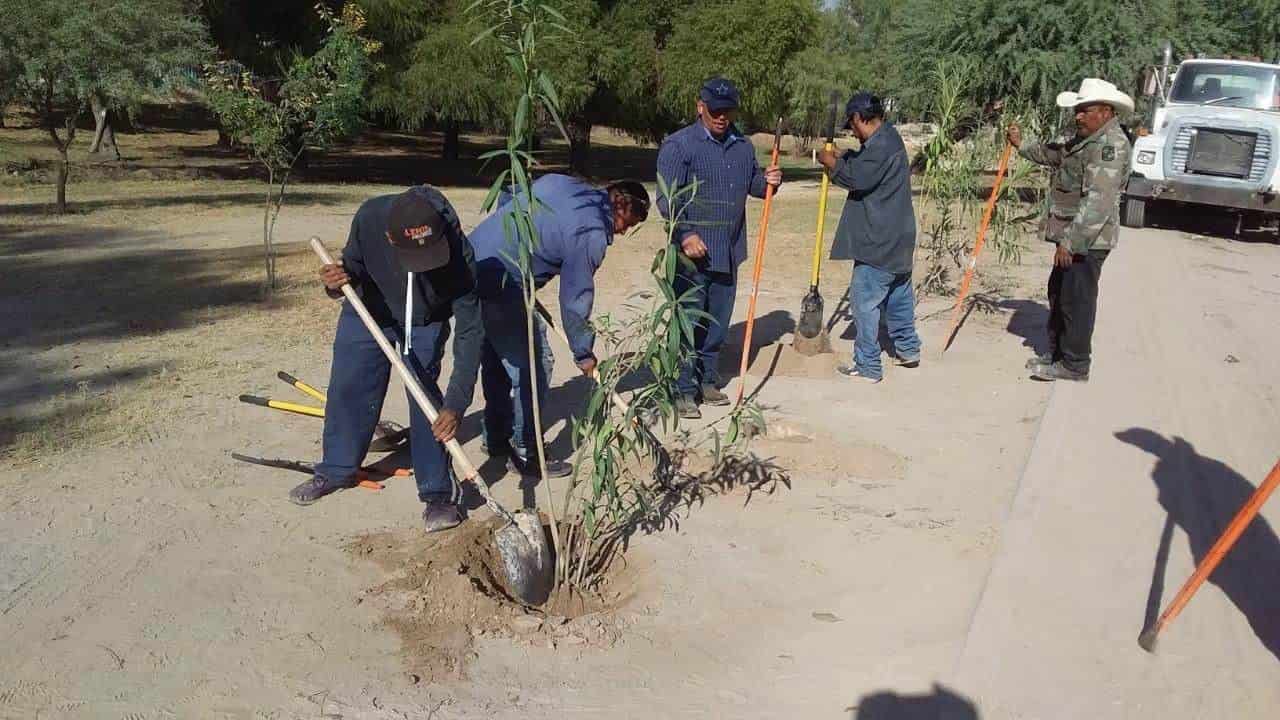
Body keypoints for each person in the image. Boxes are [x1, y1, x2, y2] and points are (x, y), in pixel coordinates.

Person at [292, 185, 482, 533]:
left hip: (425, 319)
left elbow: (471, 332)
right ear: (390, 239)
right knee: (350, 385)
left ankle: (438, 492)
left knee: (425, 398)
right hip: (369, 311)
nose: (424, 267)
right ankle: (336, 468)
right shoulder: (369, 218)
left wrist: (456, 403)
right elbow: (351, 273)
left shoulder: (460, 255)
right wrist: (333, 284)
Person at [468, 174, 650, 477]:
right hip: (503, 282)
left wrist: (518, 244)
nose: (621, 232)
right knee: (535, 362)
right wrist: (583, 351)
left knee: (499, 360)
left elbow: (508, 194)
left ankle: (496, 436)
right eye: (627, 224)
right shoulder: (592, 231)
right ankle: (527, 451)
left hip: (473, 261)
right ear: (620, 203)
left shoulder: (563, 183)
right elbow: (575, 295)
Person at [656, 76, 783, 418]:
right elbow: (667, 200)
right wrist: (685, 234)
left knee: (717, 322)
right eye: (715, 110)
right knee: (688, 322)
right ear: (700, 107)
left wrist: (770, 181)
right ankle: (681, 389)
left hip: (728, 250)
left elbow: (755, 185)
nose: (722, 117)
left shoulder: (742, 146)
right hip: (690, 254)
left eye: (727, 111)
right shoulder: (679, 146)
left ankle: (706, 380)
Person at [1007, 77, 1133, 382]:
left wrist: (1071, 242)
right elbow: (1051, 154)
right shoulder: (1082, 139)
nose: (1077, 115)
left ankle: (1075, 364)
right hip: (1071, 237)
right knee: (1059, 293)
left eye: (1084, 109)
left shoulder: (1110, 147)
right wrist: (1020, 144)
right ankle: (1058, 353)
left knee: (1077, 299)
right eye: (1077, 109)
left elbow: (1098, 203)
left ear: (1105, 111)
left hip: (1087, 241)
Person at [818, 92, 920, 384]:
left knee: (864, 301)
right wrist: (845, 155)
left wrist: (830, 162)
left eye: (852, 124)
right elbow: (864, 162)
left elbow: (857, 179)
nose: (852, 130)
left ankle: (868, 366)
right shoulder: (888, 138)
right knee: (899, 296)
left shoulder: (881, 146)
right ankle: (908, 349)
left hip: (880, 240)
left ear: (861, 118)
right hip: (899, 238)